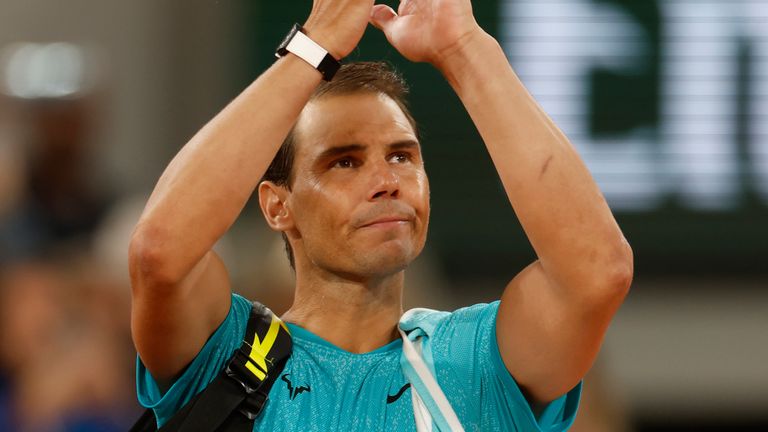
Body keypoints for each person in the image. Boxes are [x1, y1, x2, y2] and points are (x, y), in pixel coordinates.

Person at [129, 0, 633, 430]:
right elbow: (160, 254)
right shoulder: (228, 354)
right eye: (344, 161)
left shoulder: (471, 362)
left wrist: (463, 47)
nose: (387, 180)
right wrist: (314, 44)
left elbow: (596, 272)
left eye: (401, 156)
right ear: (277, 205)